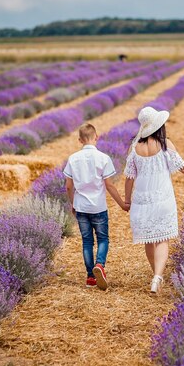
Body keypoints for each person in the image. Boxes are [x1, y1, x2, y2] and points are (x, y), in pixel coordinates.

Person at [124, 106, 184, 293]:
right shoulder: (165, 144)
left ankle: (156, 275)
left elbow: (129, 178)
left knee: (149, 240)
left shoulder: (135, 147)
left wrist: (127, 200)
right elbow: (183, 168)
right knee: (162, 239)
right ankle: (157, 276)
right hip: (162, 197)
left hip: (142, 200)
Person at [64, 123, 128, 290]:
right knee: (103, 239)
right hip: (98, 207)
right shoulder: (103, 158)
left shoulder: (73, 158)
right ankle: (99, 264)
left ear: (79, 140)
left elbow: (68, 186)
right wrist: (122, 204)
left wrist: (73, 203)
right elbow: (109, 185)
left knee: (86, 242)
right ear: (96, 137)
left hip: (81, 207)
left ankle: (90, 277)